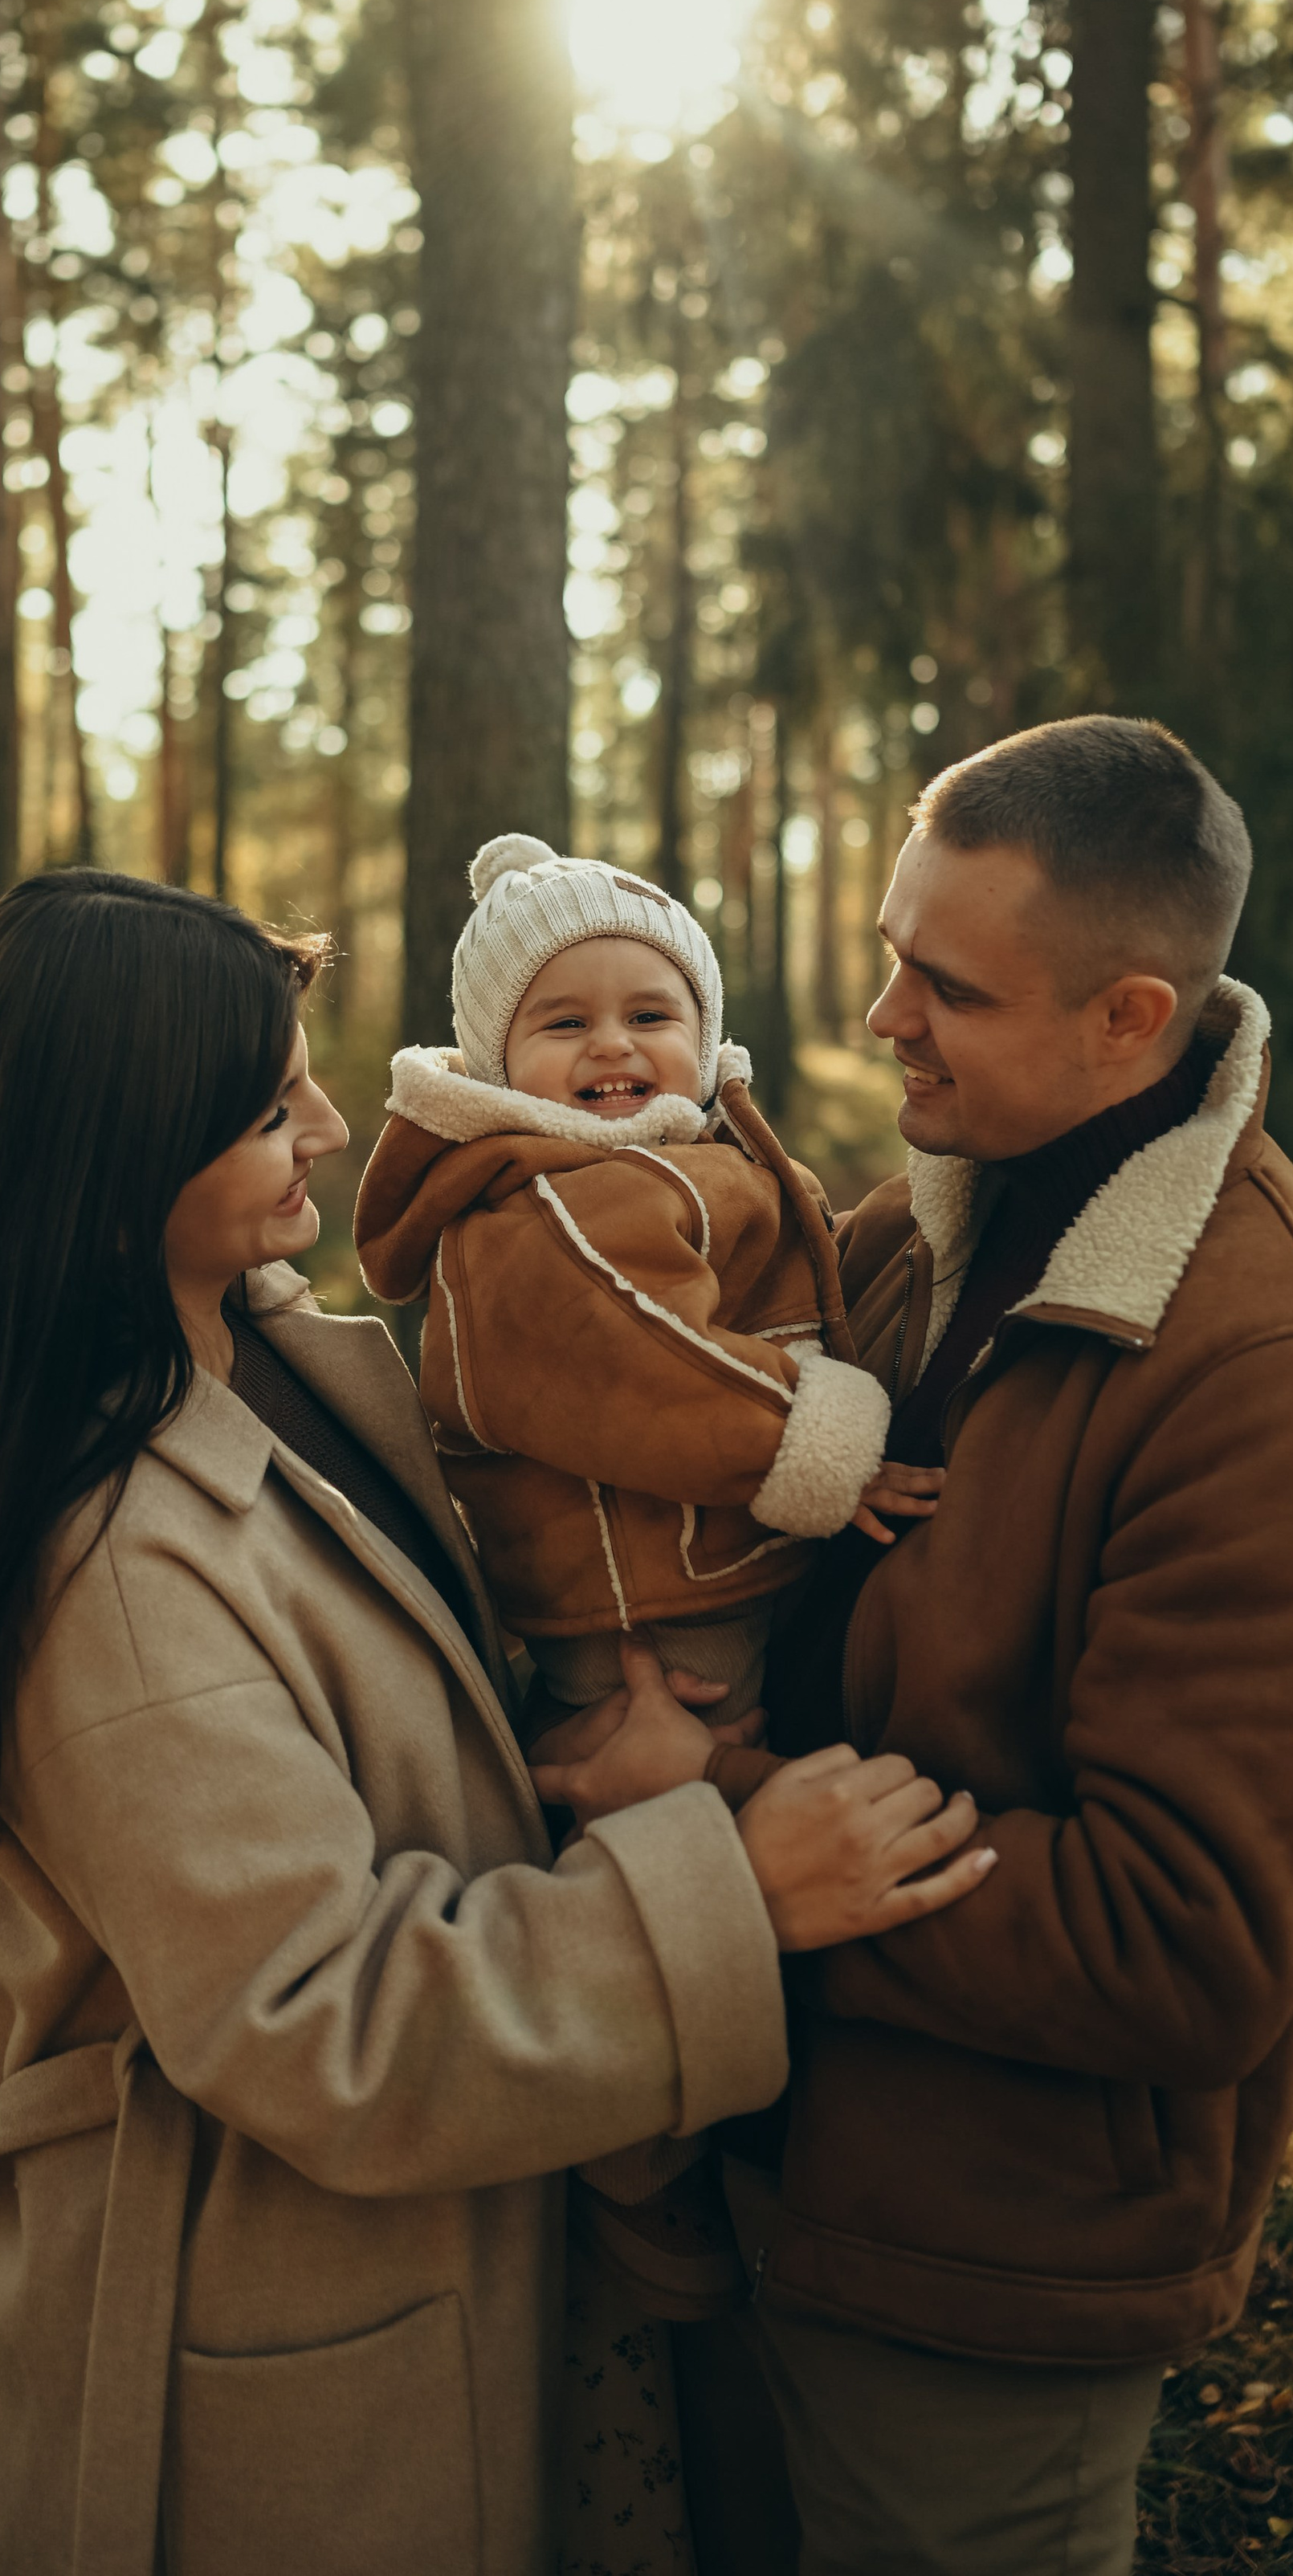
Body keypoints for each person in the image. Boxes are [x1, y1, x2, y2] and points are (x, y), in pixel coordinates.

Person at [0, 866, 994, 2576]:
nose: (325, 1120)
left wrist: (572, 1761)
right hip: (273, 2345)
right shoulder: (107, 1569)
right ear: (112, 1151)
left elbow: (400, 1724)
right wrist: (728, 1888)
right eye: (262, 1104)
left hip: (459, 2236)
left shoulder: (288, 1367)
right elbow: (319, 2014)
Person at [539, 718, 1293, 2576]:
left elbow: (1185, 1940)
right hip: (755, 2169)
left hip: (983, 2274)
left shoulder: (1276, 1371)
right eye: (888, 951)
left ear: (1127, 1019)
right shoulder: (898, 1241)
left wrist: (730, 1818)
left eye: (945, 984)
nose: (881, 1019)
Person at [356, 832, 935, 2321]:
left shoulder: (663, 1160)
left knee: (706, 1819)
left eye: (649, 1012)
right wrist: (829, 1442)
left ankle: (678, 2126)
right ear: (499, 1057)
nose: (614, 1045)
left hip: (694, 1568)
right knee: (665, 1840)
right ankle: (636, 2167)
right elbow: (639, 1363)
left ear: (706, 1030)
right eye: (565, 1022)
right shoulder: (545, 1206)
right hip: (642, 1609)